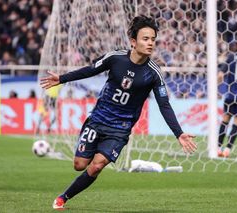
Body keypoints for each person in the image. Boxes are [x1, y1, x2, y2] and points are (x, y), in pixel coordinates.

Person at [40, 15, 197, 210]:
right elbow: (90, 70)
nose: (150, 43)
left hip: (120, 129)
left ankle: (63, 197)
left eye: (153, 39)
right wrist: (62, 78)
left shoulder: (154, 73)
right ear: (134, 41)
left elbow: (164, 104)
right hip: (97, 119)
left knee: (97, 166)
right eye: (145, 38)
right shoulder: (115, 58)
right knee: (79, 165)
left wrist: (179, 133)